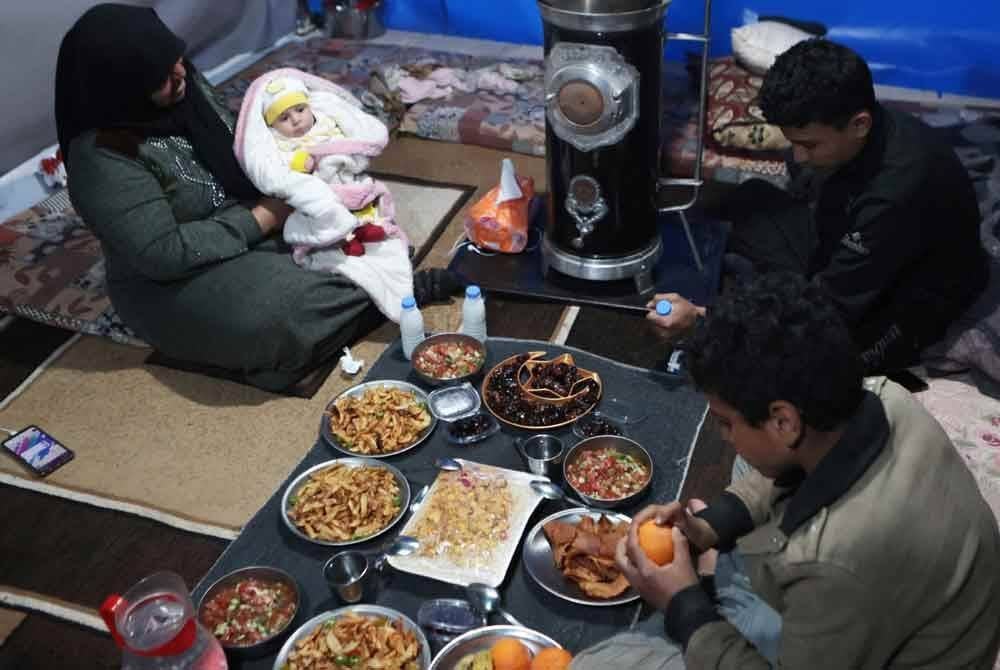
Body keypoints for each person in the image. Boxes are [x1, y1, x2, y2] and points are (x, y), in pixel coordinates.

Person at [616, 273, 1000, 668]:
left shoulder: (830, 562)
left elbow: (831, 566)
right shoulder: (888, 395)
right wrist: (708, 526)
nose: (723, 435)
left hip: (868, 617)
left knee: (606, 662)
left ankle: (724, 586)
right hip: (910, 601)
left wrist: (684, 605)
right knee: (757, 459)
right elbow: (789, 468)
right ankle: (725, 572)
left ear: (784, 421)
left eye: (726, 422)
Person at [55, 4, 430, 391]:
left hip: (248, 230)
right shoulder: (101, 158)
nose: (180, 71)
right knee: (276, 315)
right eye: (161, 74)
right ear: (121, 86)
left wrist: (295, 169)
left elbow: (248, 145)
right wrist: (266, 216)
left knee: (361, 237)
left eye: (176, 57)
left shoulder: (186, 88)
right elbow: (163, 253)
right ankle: (369, 305)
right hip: (175, 278)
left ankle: (354, 310)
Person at [648, 39, 988, 374]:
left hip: (912, 297)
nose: (797, 156)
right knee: (751, 200)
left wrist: (706, 318)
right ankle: (778, 301)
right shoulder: (857, 128)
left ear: (859, 124)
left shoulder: (895, 192)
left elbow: (832, 309)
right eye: (793, 142)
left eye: (809, 144)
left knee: (807, 363)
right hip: (853, 251)